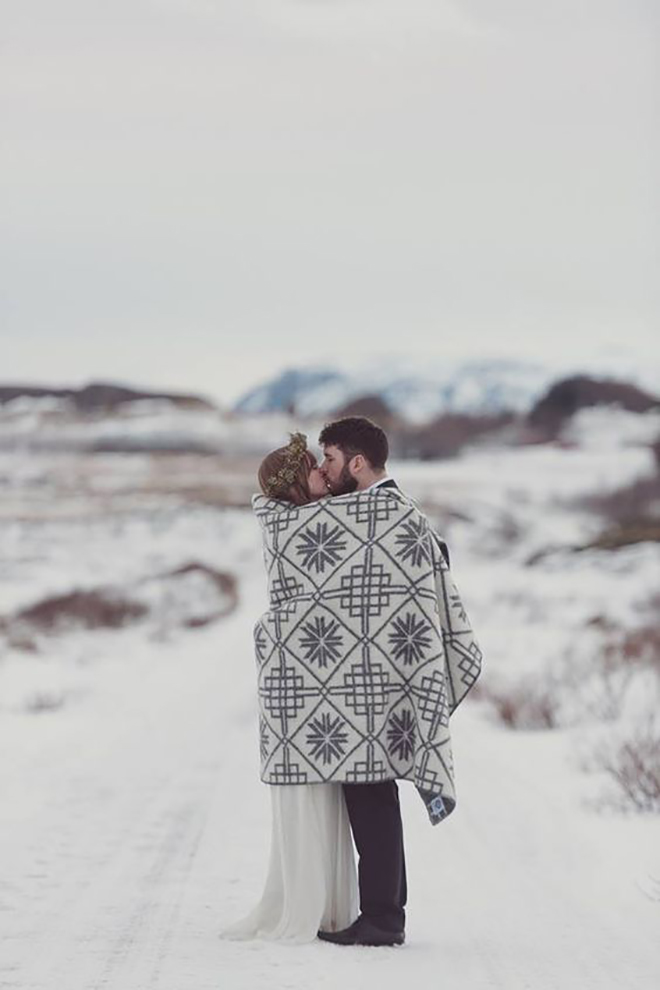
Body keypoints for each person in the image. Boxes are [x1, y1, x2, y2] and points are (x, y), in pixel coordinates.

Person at [219, 435, 360, 944]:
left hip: (305, 674)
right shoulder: (301, 524)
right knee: (305, 792)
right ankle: (311, 903)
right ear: (300, 482)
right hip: (299, 677)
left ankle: (318, 901)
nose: (327, 472)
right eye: (316, 468)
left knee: (316, 790)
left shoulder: (295, 518)